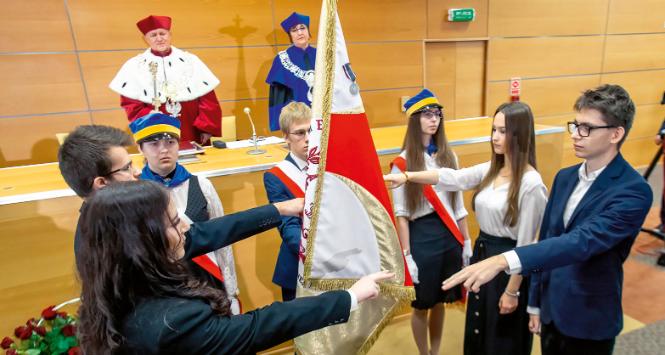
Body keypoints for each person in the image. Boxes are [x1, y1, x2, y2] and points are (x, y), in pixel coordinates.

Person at [441, 85, 652, 355]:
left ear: (616, 133)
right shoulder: (565, 177)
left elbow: (582, 241)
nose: (576, 134)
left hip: (589, 316)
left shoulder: (633, 190)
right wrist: (535, 304)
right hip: (551, 309)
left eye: (587, 128)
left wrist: (503, 259)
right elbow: (549, 238)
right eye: (575, 125)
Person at [76, 180, 394, 354]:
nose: (186, 229)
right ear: (142, 242)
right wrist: (348, 297)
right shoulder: (175, 321)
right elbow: (258, 327)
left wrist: (279, 209)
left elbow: (209, 233)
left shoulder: (114, 281)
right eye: (175, 223)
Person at [385, 101, 548, 355]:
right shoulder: (492, 169)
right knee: (477, 330)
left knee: (500, 336)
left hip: (508, 265)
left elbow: (527, 246)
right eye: (494, 129)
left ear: (521, 134)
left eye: (503, 131)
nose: (495, 137)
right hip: (483, 256)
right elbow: (451, 178)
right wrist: (407, 176)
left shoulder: (531, 183)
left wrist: (512, 291)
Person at [130, 112, 240, 314]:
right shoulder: (134, 194)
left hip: (205, 278)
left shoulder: (202, 185)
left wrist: (231, 289)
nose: (163, 150)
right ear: (140, 148)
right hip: (162, 286)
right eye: (154, 144)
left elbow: (222, 237)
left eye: (170, 142)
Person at [388, 89, 471, 355]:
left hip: (448, 234)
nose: (433, 120)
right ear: (415, 120)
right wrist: (407, 255)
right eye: (426, 114)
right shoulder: (402, 163)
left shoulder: (449, 156)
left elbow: (458, 205)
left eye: (437, 114)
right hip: (421, 236)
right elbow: (401, 214)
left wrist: (467, 240)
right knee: (422, 303)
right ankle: (424, 353)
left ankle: (435, 352)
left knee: (440, 301)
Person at [109, 15, 222, 149]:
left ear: (170, 35)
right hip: (155, 128)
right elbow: (131, 105)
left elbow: (208, 99)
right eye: (153, 35)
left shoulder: (191, 60)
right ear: (145, 39)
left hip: (192, 127)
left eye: (162, 33)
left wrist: (206, 127)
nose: (159, 38)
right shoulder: (133, 66)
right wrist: (149, 117)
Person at [58, 125, 141, 270]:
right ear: (101, 183)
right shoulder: (115, 238)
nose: (137, 171)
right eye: (127, 168)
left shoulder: (104, 217)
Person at [263, 102, 310, 301]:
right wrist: (317, 254)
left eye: (311, 130)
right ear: (285, 137)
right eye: (300, 133)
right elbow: (288, 227)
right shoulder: (276, 176)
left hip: (337, 262)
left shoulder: (331, 165)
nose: (308, 138)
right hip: (299, 264)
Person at [266, 12, 316, 131]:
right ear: (290, 36)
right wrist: (283, 125)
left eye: (302, 28)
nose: (299, 32)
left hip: (325, 115)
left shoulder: (322, 55)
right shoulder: (282, 59)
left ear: (308, 32)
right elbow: (278, 96)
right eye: (294, 30)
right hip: (298, 121)